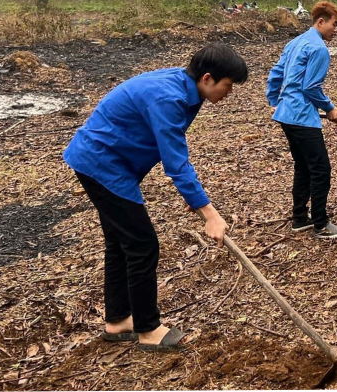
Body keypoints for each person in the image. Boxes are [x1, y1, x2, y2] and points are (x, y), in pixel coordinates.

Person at [63, 43, 248, 352]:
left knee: (121, 242)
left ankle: (119, 320)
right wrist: (210, 214)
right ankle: (148, 330)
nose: (230, 92)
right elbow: (176, 162)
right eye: (228, 85)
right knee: (141, 244)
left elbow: (170, 150)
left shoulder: (187, 90)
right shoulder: (169, 97)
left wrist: (196, 199)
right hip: (101, 164)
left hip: (109, 162)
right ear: (207, 78)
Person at [267, 1, 337, 240]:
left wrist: (274, 99)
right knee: (321, 169)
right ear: (320, 22)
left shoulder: (295, 42)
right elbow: (311, 87)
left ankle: (300, 218)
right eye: (335, 24)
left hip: (286, 115)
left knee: (303, 166)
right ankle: (321, 224)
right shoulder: (319, 49)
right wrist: (330, 108)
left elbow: (276, 73)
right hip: (301, 117)